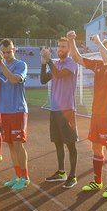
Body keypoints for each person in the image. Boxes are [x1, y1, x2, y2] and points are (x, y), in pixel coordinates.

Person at [67, 31, 107, 198]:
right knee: (96, 146)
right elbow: (77, 58)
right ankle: (97, 181)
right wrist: (72, 40)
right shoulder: (98, 64)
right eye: (103, 48)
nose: (104, 50)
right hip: (97, 113)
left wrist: (99, 42)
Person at [0, 39, 30, 191]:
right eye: (4, 52)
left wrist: (1, 64)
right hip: (5, 110)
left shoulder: (20, 65)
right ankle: (17, 175)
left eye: (9, 51)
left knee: (18, 144)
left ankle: (25, 178)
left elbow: (14, 79)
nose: (6, 54)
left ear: (14, 49)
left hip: (17, 109)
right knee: (11, 145)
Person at [40, 37, 79, 189]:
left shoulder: (71, 63)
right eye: (59, 46)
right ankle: (61, 172)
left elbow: (60, 74)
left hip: (67, 109)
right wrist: (44, 63)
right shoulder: (55, 63)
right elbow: (43, 80)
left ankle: (73, 175)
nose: (60, 48)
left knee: (70, 143)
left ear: (68, 49)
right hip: (55, 109)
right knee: (57, 142)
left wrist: (49, 60)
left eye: (63, 46)